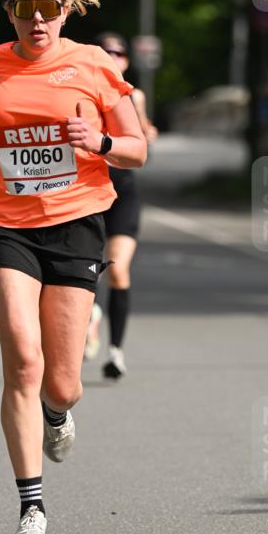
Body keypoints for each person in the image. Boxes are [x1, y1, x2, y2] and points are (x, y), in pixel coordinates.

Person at [0, 0, 146, 534]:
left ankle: (58, 415)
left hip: (75, 224)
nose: (37, 20)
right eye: (25, 8)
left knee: (61, 385)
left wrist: (102, 139)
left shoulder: (91, 65)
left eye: (48, 9)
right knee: (22, 361)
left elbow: (138, 149)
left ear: (65, 11)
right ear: (10, 12)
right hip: (2, 224)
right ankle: (31, 508)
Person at [84, 32, 158, 378]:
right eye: (106, 51)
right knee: (84, 272)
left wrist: (146, 130)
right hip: (87, 191)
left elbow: (140, 139)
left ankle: (115, 352)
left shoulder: (134, 95)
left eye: (119, 52)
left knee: (117, 269)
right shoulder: (81, 92)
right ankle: (89, 314)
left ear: (126, 60)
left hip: (124, 192)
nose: (113, 57)